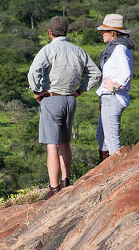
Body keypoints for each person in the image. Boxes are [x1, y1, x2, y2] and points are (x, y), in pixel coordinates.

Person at [28, 15, 101, 198]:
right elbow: (96, 73)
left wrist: (37, 91)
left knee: (52, 145)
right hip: (70, 99)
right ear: (67, 32)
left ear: (50, 32)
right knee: (65, 143)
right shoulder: (78, 50)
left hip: (52, 98)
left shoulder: (48, 50)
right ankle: (66, 181)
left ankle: (53, 189)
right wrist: (80, 90)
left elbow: (33, 71)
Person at [96, 13, 134, 161]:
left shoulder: (119, 49)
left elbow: (126, 72)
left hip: (113, 98)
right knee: (101, 136)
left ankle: (114, 175)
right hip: (108, 98)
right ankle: (103, 170)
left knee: (112, 141)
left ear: (113, 33)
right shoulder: (114, 48)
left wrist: (114, 87)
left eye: (104, 31)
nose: (101, 33)